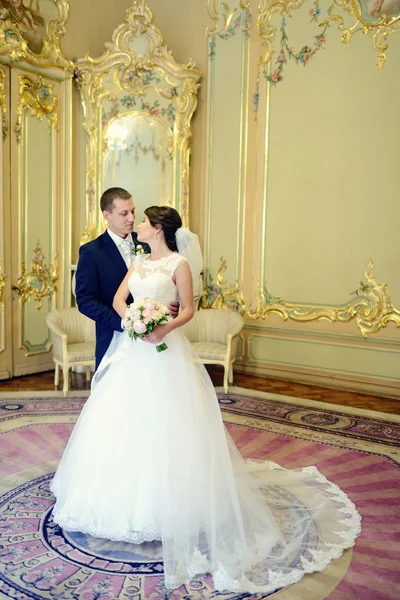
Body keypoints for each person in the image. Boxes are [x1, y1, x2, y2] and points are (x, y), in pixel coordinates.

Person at [51, 206, 361, 594]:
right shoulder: (140, 261)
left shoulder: (179, 264)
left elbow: (190, 310)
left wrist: (163, 325)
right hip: (134, 350)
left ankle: (179, 502)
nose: (138, 225)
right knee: (123, 421)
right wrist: (133, 323)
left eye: (143, 220)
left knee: (172, 422)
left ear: (158, 227)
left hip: (166, 349)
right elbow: (117, 299)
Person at [75, 187, 178, 369]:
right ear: (107, 215)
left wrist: (168, 307)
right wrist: (127, 322)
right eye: (124, 213)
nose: (131, 218)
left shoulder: (148, 243)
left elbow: (165, 279)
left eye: (133, 211)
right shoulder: (91, 252)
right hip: (113, 336)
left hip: (154, 337)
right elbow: (85, 301)